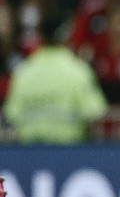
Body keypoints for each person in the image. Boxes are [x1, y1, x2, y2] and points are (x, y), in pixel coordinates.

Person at [4, 16, 108, 144]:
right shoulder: (79, 71)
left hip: (30, 154)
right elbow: (94, 113)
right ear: (66, 36)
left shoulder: (23, 72)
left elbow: (12, 114)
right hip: (70, 152)